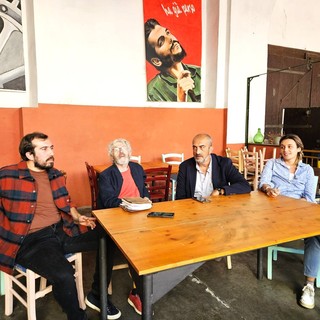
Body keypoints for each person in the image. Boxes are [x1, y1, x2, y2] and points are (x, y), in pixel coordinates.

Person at [0, 132, 121, 320]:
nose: (51, 153)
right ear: (29, 155)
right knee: (64, 275)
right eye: (44, 149)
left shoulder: (55, 174)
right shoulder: (7, 175)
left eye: (51, 148)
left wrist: (78, 216)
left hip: (63, 229)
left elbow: (66, 201)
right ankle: (77, 317)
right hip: (32, 241)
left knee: (110, 237)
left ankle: (97, 295)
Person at [258, 133, 317, 310]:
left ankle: (309, 285)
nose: (285, 150)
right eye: (282, 147)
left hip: (300, 212)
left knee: (316, 236)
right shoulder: (272, 164)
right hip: (276, 212)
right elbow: (263, 183)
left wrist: (301, 207)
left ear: (299, 148)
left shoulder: (307, 170)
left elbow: (309, 198)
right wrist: (269, 190)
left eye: (290, 146)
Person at [98, 138, 150, 315]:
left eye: (124, 149)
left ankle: (142, 288)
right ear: (111, 155)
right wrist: (132, 204)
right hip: (119, 218)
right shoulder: (106, 175)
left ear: (130, 152)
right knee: (136, 252)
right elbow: (109, 202)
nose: (121, 152)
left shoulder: (137, 168)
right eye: (116, 149)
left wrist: (146, 200)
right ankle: (140, 294)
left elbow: (143, 191)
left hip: (141, 215)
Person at [176, 133, 251, 200]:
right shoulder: (185, 167)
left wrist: (221, 190)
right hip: (192, 209)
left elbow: (245, 186)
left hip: (217, 209)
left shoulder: (224, 164)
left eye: (202, 147)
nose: (197, 152)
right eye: (195, 147)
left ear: (210, 149)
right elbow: (180, 198)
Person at [144, 18, 201, 102]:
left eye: (168, 33)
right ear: (156, 61)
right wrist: (181, 100)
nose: (170, 39)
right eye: (162, 42)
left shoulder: (201, 72)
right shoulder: (153, 93)